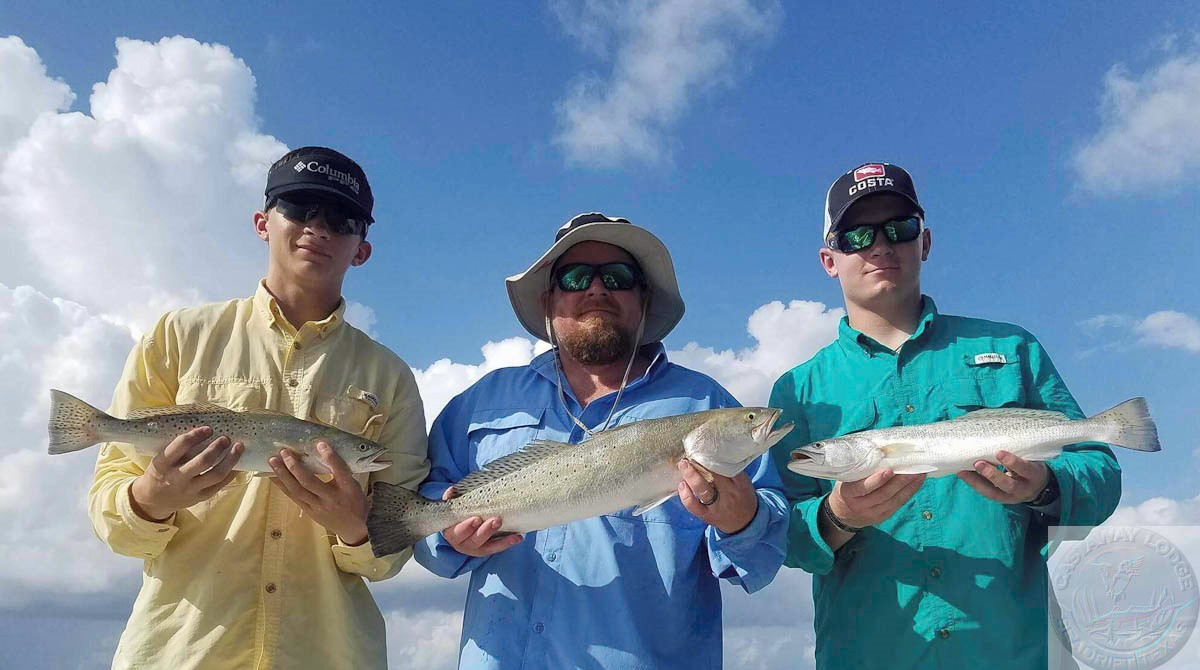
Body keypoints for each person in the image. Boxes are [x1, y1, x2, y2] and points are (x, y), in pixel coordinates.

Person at [88, 146, 429, 669]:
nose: (319, 226)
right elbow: (112, 518)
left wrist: (356, 527)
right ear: (262, 222)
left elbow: (392, 553)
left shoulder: (392, 378)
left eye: (342, 219)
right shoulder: (176, 337)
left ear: (361, 249)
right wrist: (152, 496)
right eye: (300, 208)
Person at [768, 162, 1121, 669]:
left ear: (925, 242)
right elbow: (778, 536)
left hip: (1013, 651)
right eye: (857, 234)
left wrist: (1043, 486)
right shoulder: (798, 389)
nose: (880, 245)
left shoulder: (1012, 347)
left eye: (899, 228)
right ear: (830, 259)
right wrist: (835, 516)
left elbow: (1101, 475)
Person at [414, 212, 788, 669]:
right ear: (549, 298)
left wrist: (743, 520)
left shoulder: (706, 402)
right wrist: (450, 536)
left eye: (617, 277)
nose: (596, 289)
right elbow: (421, 512)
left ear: (643, 297)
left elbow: (767, 555)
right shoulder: (481, 400)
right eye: (574, 277)